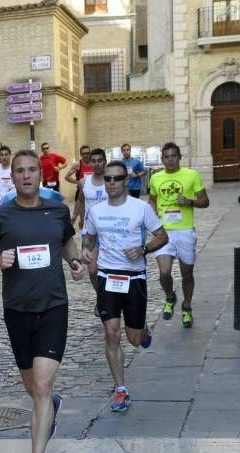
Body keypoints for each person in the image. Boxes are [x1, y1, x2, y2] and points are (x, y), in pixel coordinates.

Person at [0, 150, 84, 453]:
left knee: (43, 387)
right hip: (16, 311)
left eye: (32, 169)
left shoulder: (58, 210)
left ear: (41, 174)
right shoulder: (0, 217)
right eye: (20, 171)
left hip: (53, 308)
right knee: (34, 389)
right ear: (12, 177)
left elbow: (66, 241)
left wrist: (75, 262)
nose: (27, 175)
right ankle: (50, 406)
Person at [82, 161, 168, 412]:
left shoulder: (141, 208)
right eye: (107, 178)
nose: (111, 183)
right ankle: (121, 390)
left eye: (116, 178)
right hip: (108, 277)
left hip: (134, 279)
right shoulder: (96, 211)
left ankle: (142, 328)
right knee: (111, 333)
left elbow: (162, 236)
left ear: (126, 180)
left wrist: (143, 249)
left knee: (134, 339)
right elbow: (89, 236)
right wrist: (87, 251)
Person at [149, 142, 209, 328]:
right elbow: (152, 199)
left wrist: (189, 201)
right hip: (164, 232)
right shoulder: (156, 178)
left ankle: (187, 307)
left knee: (187, 273)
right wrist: (151, 214)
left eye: (173, 156)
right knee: (164, 272)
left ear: (179, 157)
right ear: (162, 159)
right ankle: (170, 296)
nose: (170, 160)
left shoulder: (192, 175)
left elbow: (205, 201)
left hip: (185, 231)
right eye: (166, 157)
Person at [79, 148, 109, 297]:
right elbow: (80, 201)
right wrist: (77, 218)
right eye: (94, 161)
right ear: (90, 163)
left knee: (111, 268)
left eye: (100, 161)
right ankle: (101, 297)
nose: (97, 164)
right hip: (90, 232)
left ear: (105, 161)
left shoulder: (112, 181)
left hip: (109, 231)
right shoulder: (83, 182)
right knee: (92, 270)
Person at [65, 145, 94, 229]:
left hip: (93, 194)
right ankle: (83, 234)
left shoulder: (93, 163)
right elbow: (67, 177)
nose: (86, 155)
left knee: (92, 217)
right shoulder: (78, 164)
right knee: (83, 218)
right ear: (81, 154)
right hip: (81, 194)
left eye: (88, 153)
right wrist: (78, 182)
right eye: (84, 153)